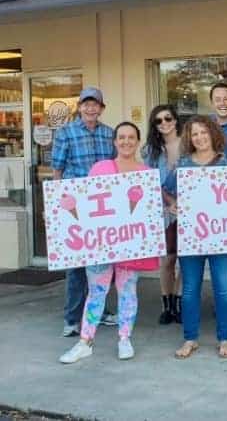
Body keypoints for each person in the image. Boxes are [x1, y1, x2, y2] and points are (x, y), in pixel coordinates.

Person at [59, 122, 160, 363]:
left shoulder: (145, 172)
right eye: (121, 137)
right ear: (114, 142)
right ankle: (85, 341)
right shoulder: (101, 168)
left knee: (127, 292)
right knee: (96, 292)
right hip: (101, 245)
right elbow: (86, 202)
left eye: (131, 137)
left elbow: (149, 212)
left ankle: (124, 338)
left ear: (138, 142)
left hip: (130, 243)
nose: (126, 141)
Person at [164, 116, 227, 359]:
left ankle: (225, 338)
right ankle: (190, 338)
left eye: (204, 132)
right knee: (190, 290)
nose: (200, 137)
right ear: (189, 139)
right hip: (191, 237)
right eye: (194, 134)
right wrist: (173, 204)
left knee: (224, 289)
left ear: (213, 133)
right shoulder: (183, 165)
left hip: (222, 237)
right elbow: (164, 188)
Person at [51, 87, 116, 338]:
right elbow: (57, 171)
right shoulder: (65, 133)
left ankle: (99, 311)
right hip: (75, 208)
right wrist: (56, 206)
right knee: (77, 268)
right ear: (79, 107)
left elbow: (115, 168)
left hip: (103, 207)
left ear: (101, 108)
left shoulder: (109, 134)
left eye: (95, 104)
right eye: (86, 104)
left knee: (104, 263)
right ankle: (72, 318)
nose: (91, 108)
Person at [142, 104, 183, 326]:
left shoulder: (188, 145)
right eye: (159, 120)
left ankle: (179, 302)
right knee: (167, 259)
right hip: (164, 208)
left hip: (189, 208)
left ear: (175, 120)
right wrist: (170, 201)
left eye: (168, 118)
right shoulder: (150, 151)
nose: (164, 123)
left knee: (186, 258)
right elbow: (148, 182)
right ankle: (166, 305)